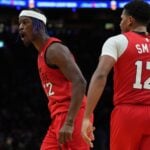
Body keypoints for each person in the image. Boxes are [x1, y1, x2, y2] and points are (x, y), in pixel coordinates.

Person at [18, 8, 93, 150]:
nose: (20, 27)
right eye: (19, 23)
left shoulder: (54, 49)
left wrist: (70, 122)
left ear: (38, 25)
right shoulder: (41, 54)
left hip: (73, 114)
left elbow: (80, 82)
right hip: (58, 116)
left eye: (25, 22)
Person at [81, 1, 150, 150]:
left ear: (130, 20)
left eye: (121, 18)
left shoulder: (117, 41)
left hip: (127, 114)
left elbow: (100, 75)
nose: (120, 23)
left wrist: (87, 116)